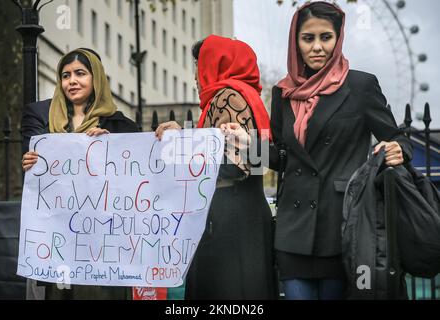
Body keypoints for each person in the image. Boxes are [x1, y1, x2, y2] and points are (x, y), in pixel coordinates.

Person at [223, 2, 412, 300]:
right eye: (308, 38)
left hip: (340, 225)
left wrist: (398, 148)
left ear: (338, 39)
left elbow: (398, 137)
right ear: (296, 42)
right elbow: (283, 158)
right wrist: (250, 147)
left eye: (326, 37)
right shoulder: (283, 94)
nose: (317, 47)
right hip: (292, 229)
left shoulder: (361, 86)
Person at [155, 35, 278, 300]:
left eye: (200, 66)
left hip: (228, 219)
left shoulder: (227, 97)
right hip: (242, 215)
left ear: (215, 64)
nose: (196, 77)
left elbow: (233, 166)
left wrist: (183, 143)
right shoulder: (245, 95)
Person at [21, 48, 138, 299]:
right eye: (65, 75)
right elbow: (34, 172)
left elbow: (135, 183)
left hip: (104, 243)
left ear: (96, 78)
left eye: (80, 73)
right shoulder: (40, 116)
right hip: (57, 238)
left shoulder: (120, 126)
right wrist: (30, 161)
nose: (71, 81)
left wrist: (112, 148)